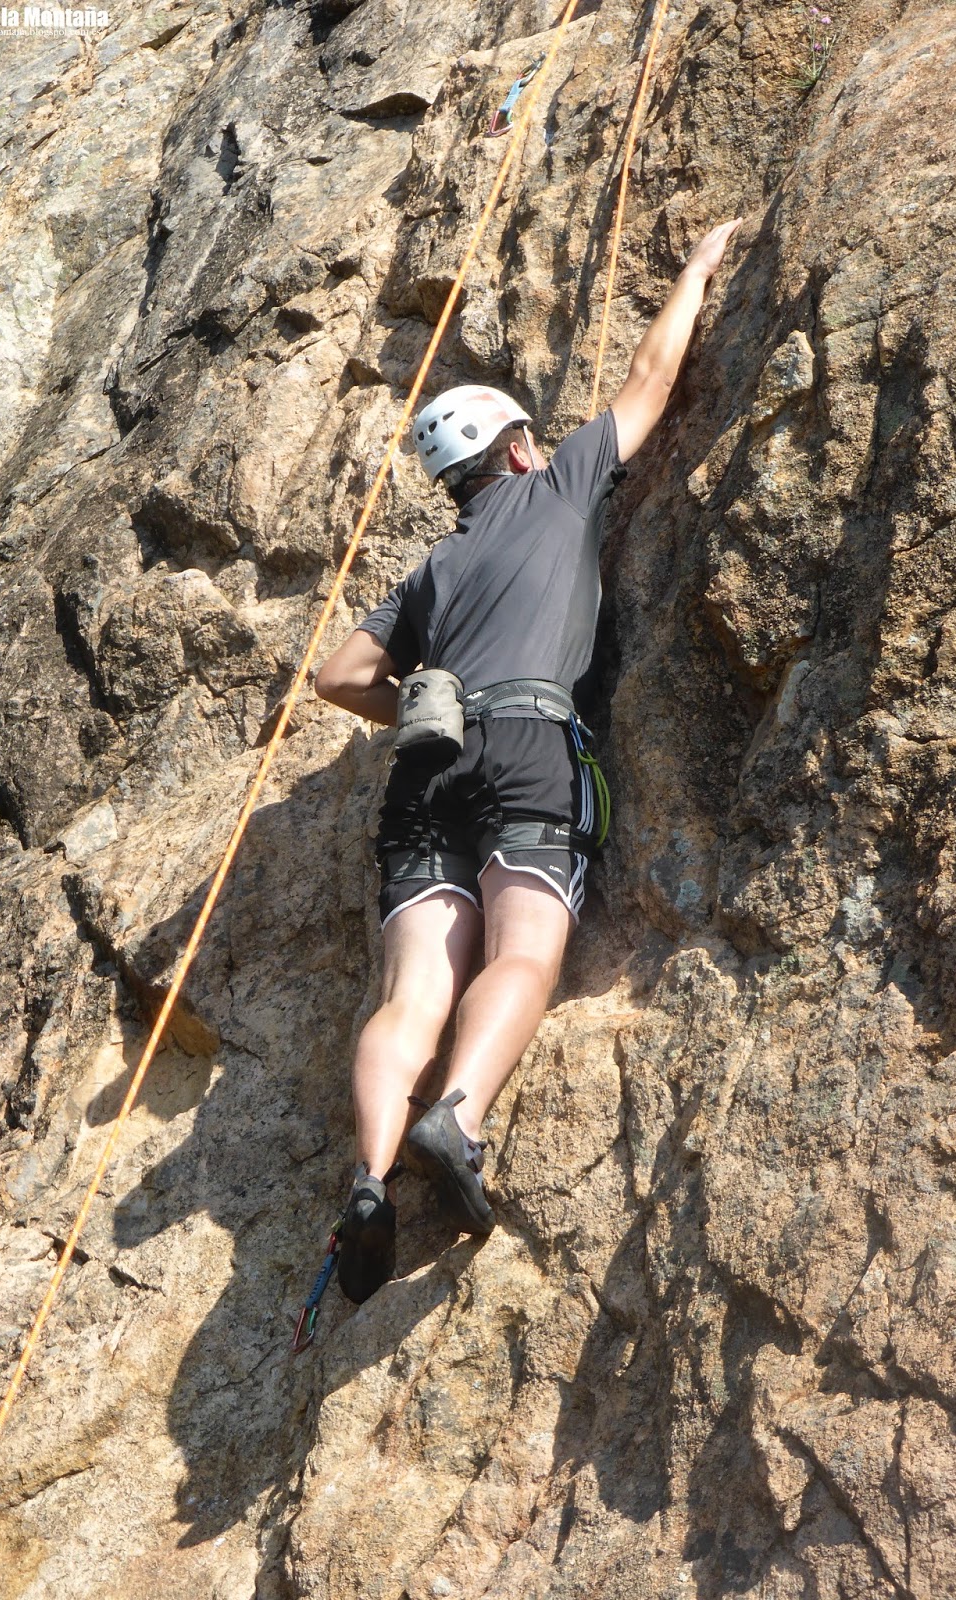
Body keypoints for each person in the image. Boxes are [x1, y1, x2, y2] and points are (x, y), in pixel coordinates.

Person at [315, 220, 743, 1302]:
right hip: (527, 746)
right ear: (514, 450)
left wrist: (410, 695)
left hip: (429, 757)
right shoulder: (558, 491)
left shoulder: (435, 562)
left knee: (413, 987)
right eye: (534, 441)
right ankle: (455, 1115)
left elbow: (334, 676)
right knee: (525, 951)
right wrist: (692, 272)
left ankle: (368, 1179)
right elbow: (651, 378)